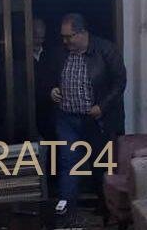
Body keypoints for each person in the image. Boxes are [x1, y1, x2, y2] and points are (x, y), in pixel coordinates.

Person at [50, 12, 126, 204]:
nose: (65, 41)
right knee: (68, 163)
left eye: (69, 36)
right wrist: (52, 89)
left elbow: (120, 82)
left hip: (96, 120)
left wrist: (102, 106)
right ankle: (66, 209)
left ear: (82, 33)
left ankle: (105, 209)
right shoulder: (60, 53)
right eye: (63, 37)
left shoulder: (106, 50)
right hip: (67, 119)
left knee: (101, 165)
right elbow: (48, 78)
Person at [32, 17, 55, 139]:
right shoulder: (21, 56)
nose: (39, 41)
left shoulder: (51, 55)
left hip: (49, 109)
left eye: (42, 37)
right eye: (36, 36)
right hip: (30, 108)